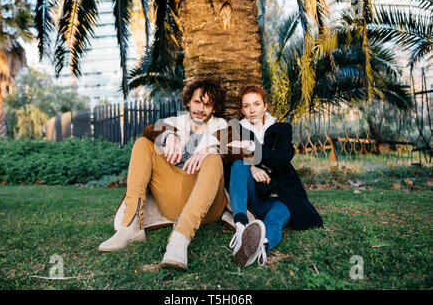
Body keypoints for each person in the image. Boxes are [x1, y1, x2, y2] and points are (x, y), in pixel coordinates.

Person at [98, 79, 229, 270]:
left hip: (209, 207)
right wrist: (169, 136)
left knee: (213, 157)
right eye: (197, 102)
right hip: (173, 199)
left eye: (208, 104)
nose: (201, 109)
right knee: (142, 144)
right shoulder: (175, 122)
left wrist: (210, 149)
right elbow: (150, 130)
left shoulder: (223, 125)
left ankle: (180, 238)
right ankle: (131, 226)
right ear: (188, 102)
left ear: (214, 108)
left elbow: (239, 145)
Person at [226, 84, 323, 267]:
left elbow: (283, 158)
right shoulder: (237, 130)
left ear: (265, 106)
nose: (252, 110)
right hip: (255, 197)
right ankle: (240, 227)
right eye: (246, 106)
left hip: (281, 197)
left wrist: (253, 148)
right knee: (239, 165)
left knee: (275, 220)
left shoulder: (282, 129)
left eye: (256, 104)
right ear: (242, 109)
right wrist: (252, 167)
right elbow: (226, 155)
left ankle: (260, 246)